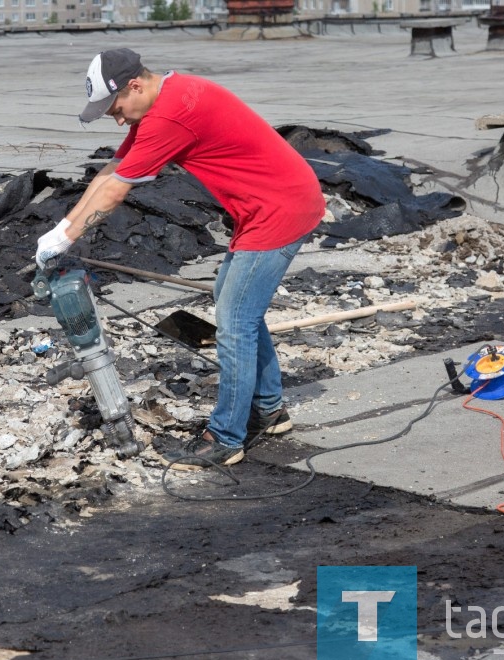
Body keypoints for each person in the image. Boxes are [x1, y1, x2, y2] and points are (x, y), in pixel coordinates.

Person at [36, 48, 325, 471]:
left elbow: (117, 192)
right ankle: (270, 410)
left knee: (235, 323)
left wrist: (68, 238)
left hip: (280, 210)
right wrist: (61, 230)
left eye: (115, 109)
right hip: (266, 205)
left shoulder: (168, 118)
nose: (117, 119)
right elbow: (111, 171)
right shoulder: (166, 97)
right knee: (238, 308)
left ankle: (226, 438)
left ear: (135, 85)